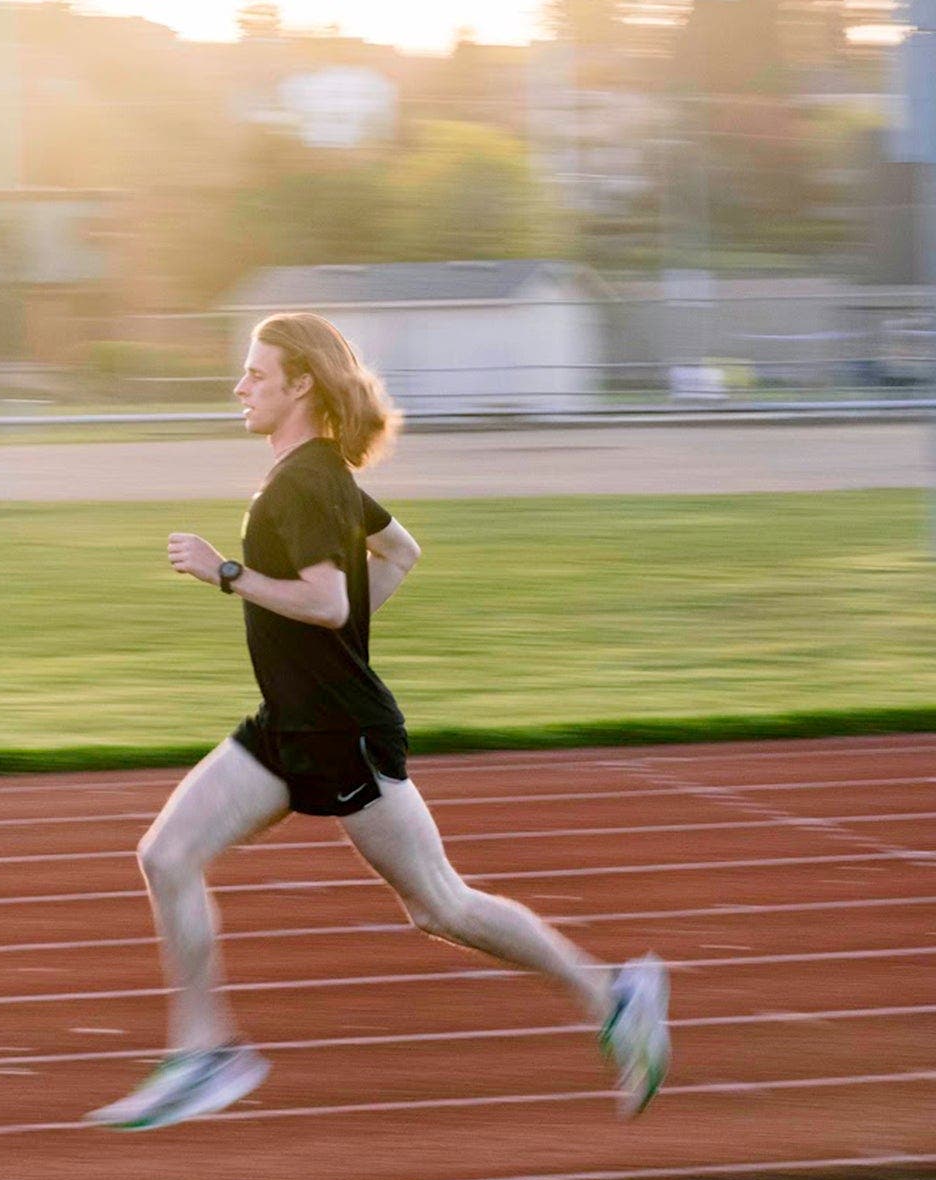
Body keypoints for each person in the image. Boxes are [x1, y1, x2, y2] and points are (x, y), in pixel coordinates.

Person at [87, 312, 669, 1132]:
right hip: (291, 725)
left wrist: (225, 571)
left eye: (256, 374)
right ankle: (204, 1053)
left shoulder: (304, 484)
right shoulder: (321, 477)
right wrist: (346, 644)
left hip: (340, 732)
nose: (240, 387)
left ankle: (615, 994)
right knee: (166, 854)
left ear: (300, 386)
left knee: (440, 906)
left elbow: (326, 600)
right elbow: (401, 553)